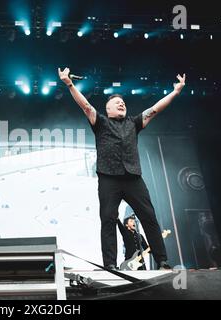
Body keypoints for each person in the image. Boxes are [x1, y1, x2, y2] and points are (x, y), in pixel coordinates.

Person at [58, 67, 186, 270]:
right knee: (108, 220)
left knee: (149, 217)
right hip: (109, 178)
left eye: (123, 103)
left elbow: (156, 108)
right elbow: (85, 105)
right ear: (108, 109)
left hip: (133, 177)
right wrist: (70, 84)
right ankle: (109, 264)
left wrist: (176, 92)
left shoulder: (134, 123)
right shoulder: (100, 121)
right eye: (117, 103)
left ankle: (162, 260)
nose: (121, 104)